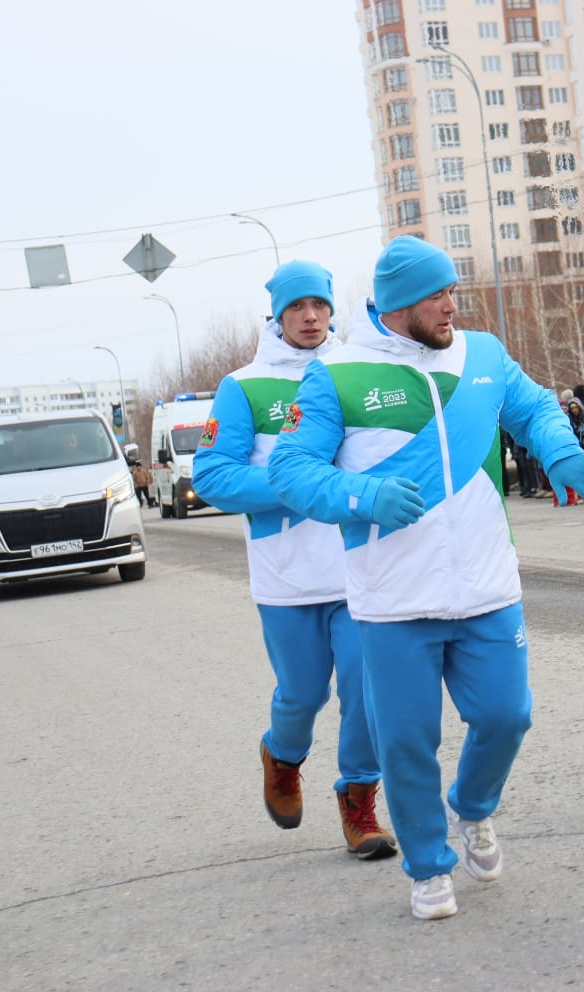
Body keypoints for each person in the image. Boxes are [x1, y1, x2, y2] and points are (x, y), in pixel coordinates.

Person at [266, 236, 584, 920]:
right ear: (398, 305)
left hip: (487, 586)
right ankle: (428, 865)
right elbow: (290, 470)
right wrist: (362, 498)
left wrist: (560, 449)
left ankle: (472, 808)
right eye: (438, 295)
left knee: (506, 717)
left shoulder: (482, 356)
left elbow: (537, 407)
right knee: (406, 742)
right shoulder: (337, 373)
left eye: (454, 291)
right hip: (394, 600)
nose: (452, 306)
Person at [193, 260, 396, 861]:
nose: (310, 317)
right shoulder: (245, 387)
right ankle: (282, 755)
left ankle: (359, 801)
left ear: (333, 310)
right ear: (278, 315)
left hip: (359, 566)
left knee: (365, 691)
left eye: (320, 306)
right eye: (297, 308)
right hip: (288, 575)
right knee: (302, 695)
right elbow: (214, 475)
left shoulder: (355, 373)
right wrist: (298, 484)